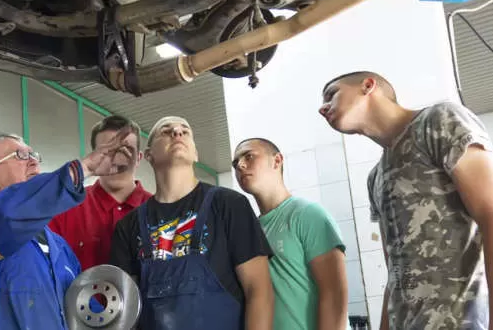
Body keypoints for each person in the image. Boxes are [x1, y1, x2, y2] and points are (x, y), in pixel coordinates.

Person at [319, 71, 493, 329]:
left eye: (331, 94)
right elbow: (396, 273)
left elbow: (490, 214)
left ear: (368, 86)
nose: (322, 108)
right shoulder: (375, 177)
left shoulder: (438, 121)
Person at [0, 129, 134, 330]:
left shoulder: (60, 247)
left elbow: (82, 312)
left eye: (33, 155)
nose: (33, 162)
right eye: (20, 155)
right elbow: (5, 212)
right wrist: (83, 169)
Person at [110, 116, 275, 330]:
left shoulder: (230, 205)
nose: (177, 133)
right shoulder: (128, 226)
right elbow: (126, 314)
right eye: (166, 131)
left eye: (185, 131)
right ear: (149, 155)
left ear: (195, 153)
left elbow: (259, 292)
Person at [233, 137, 350, 330]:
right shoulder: (249, 231)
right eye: (235, 163)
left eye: (249, 156)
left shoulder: (308, 214)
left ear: (277, 161)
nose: (240, 165)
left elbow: (334, 293)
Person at [50, 115, 152, 270]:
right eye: (107, 151)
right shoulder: (65, 209)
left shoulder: (161, 212)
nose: (116, 160)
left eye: (125, 150)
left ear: (138, 158)